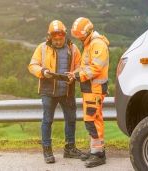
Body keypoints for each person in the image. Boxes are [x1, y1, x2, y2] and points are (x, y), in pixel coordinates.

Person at [28, 20, 85, 164]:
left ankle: (70, 149)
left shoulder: (73, 49)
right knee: (47, 121)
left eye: (61, 39)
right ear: (50, 37)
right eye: (55, 39)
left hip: (67, 90)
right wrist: (42, 71)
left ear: (65, 36)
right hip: (48, 91)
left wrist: (74, 74)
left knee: (71, 119)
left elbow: (80, 66)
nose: (58, 42)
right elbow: (32, 65)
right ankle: (47, 150)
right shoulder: (42, 48)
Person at [67, 17, 110, 168]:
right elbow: (85, 66)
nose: (78, 38)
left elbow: (95, 68)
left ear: (88, 32)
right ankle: (94, 150)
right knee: (93, 119)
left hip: (95, 89)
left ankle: (98, 154)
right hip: (90, 89)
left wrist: (78, 75)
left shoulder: (97, 44)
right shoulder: (89, 43)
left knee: (92, 121)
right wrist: (74, 73)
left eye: (80, 35)